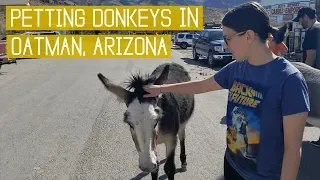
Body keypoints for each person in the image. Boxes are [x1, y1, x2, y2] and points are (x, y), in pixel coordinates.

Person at [143, 2, 310, 180]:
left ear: (249, 36)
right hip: (232, 164)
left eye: (228, 38)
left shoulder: (290, 80)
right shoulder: (236, 69)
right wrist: (160, 89)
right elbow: (200, 86)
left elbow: (292, 149)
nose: (225, 45)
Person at [292, 6, 320, 147]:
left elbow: (310, 57)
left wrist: (302, 76)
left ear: (306, 17)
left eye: (301, 19)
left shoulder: (312, 31)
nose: (300, 23)